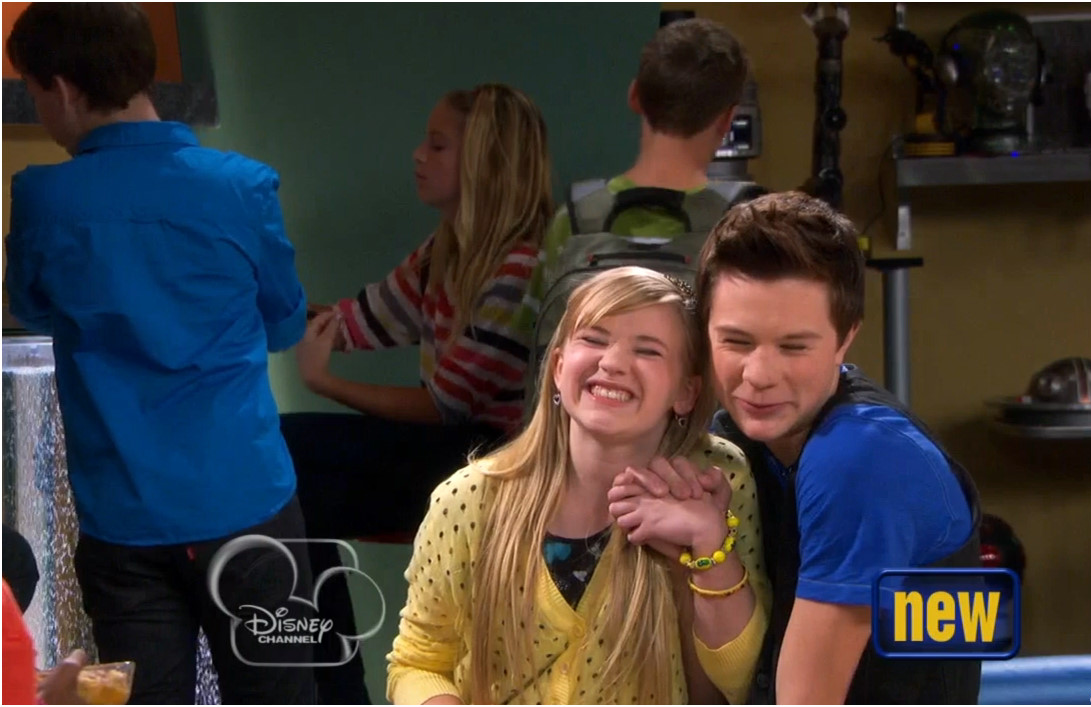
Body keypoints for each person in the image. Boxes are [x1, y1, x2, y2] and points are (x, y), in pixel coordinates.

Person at [4, 4, 315, 703]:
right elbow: (284, 325)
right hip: (249, 502)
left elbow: (32, 308)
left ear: (62, 89)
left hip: (123, 520)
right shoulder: (244, 187)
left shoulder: (43, 199)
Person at [617, 191, 983, 703]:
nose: (759, 375)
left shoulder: (862, 458)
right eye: (737, 342)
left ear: (845, 338)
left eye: (793, 347)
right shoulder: (730, 444)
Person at [386, 267, 770, 705]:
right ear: (557, 367)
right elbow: (417, 663)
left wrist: (710, 546)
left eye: (647, 350)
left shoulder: (719, 478)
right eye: (594, 339)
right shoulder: (469, 498)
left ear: (687, 392)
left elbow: (742, 684)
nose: (612, 363)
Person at [284, 83, 554, 703]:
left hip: (493, 460)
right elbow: (359, 320)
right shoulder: (444, 251)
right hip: (446, 445)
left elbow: (447, 407)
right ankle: (332, 685)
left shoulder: (522, 268)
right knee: (281, 467)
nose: (418, 155)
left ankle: (334, 689)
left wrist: (326, 382)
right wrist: (258, 307)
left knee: (287, 466)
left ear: (485, 161)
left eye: (437, 145)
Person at [524, 17, 753, 383]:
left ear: (634, 96)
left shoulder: (574, 220)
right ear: (727, 120)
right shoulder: (743, 228)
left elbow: (532, 338)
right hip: (698, 419)